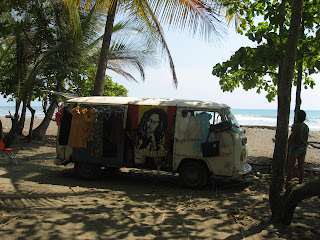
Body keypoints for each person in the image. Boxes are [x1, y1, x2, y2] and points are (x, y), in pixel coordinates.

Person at [286, 110, 309, 188]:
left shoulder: (296, 126)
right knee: (301, 166)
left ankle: (288, 182)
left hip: (296, 148)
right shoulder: (306, 127)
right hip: (303, 147)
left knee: (290, 166)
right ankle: (301, 182)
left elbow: (292, 137)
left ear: (297, 117)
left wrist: (288, 148)